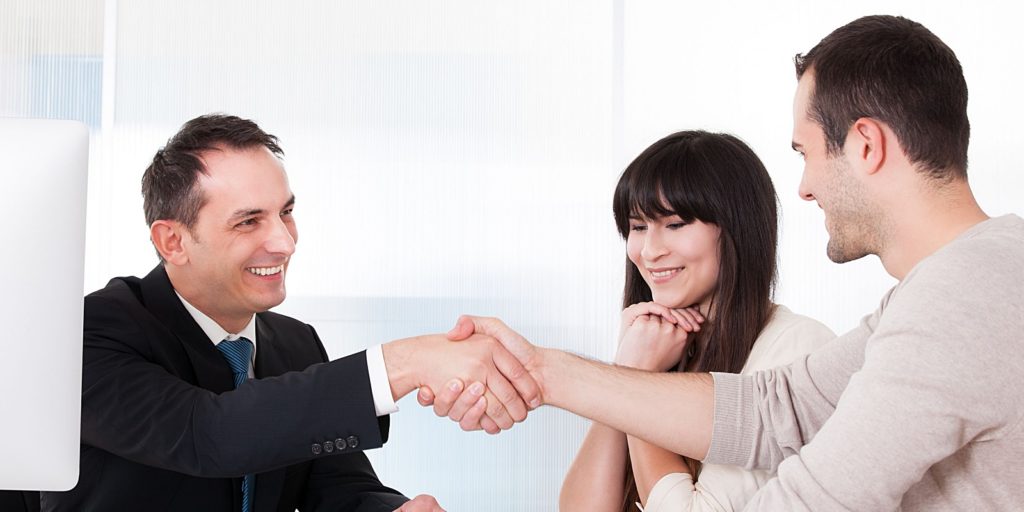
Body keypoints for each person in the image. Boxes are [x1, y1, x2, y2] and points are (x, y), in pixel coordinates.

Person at [433, 15, 1024, 510]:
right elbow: (777, 410)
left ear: (866, 145)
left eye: (807, 153)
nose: (805, 188)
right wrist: (540, 371)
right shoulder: (953, 286)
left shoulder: (961, 301)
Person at [41, 114, 539, 512]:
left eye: (285, 212)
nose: (284, 242)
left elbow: (339, 487)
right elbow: (208, 433)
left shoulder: (296, 343)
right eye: (248, 221)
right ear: (173, 241)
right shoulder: (88, 332)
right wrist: (403, 364)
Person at [558, 131, 833, 511]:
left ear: (736, 228)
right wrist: (625, 371)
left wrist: (639, 381)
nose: (650, 251)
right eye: (638, 227)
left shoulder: (797, 349)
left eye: (674, 225)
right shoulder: (655, 342)